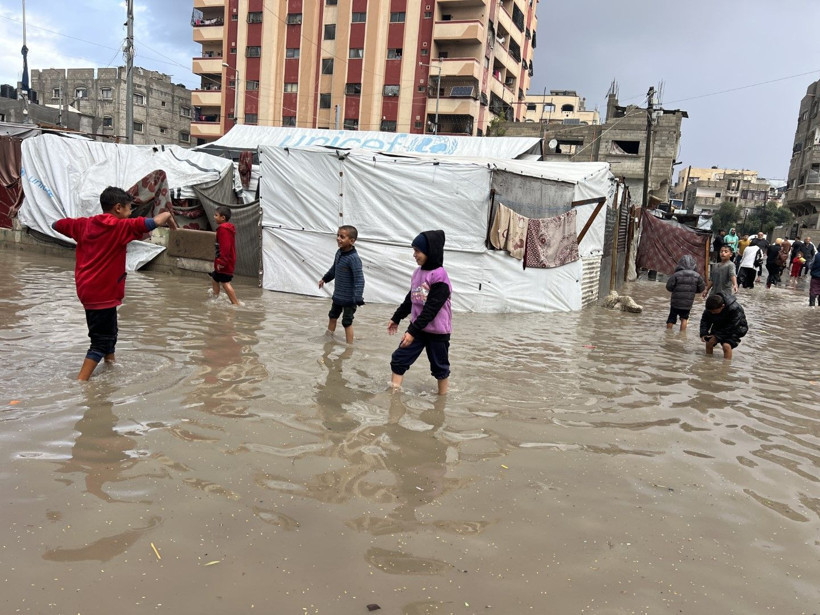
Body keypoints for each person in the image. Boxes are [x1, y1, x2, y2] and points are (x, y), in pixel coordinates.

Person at [52, 186, 173, 380]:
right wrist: (167, 213)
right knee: (100, 342)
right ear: (118, 208)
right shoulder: (120, 227)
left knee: (109, 333)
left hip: (87, 290)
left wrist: (83, 227)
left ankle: (111, 368)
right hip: (103, 293)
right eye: (128, 208)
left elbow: (56, 224)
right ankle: (80, 383)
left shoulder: (83, 225)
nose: (130, 212)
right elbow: (153, 222)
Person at [387, 230, 452, 395]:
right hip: (417, 329)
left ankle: (442, 399)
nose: (414, 255)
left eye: (417, 251)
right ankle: (394, 394)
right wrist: (397, 317)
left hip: (437, 332)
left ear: (430, 251)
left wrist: (411, 332)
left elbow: (431, 309)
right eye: (414, 251)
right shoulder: (417, 273)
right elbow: (411, 298)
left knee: (440, 367)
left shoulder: (440, 277)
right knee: (399, 358)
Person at [319, 225, 365, 344]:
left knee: (347, 322)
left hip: (350, 299)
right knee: (332, 316)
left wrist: (358, 297)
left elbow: (359, 279)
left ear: (352, 241)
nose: (338, 238)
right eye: (338, 235)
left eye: (342, 237)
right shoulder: (339, 253)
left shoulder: (353, 258)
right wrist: (324, 279)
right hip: (338, 295)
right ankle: (328, 337)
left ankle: (349, 346)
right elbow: (334, 269)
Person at [699, 292, 748, 360]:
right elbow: (705, 321)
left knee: (726, 346)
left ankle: (726, 367)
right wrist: (703, 333)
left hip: (736, 328)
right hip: (719, 325)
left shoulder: (734, 309)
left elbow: (733, 326)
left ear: (723, 306)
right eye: (711, 312)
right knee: (709, 341)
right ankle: (708, 361)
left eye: (714, 312)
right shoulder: (710, 308)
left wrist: (717, 337)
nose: (712, 313)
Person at [665, 254, 705, 331]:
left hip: (675, 302)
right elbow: (701, 288)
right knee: (684, 318)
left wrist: (675, 290)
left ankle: (668, 334)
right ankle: (682, 335)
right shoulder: (697, 276)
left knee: (671, 318)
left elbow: (668, 287)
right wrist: (693, 291)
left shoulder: (676, 275)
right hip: (688, 303)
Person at [209, 206, 240, 305]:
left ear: (223, 218)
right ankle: (215, 298)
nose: (214, 217)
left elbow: (225, 247)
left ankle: (236, 304)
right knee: (215, 278)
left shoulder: (223, 229)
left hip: (225, 261)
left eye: (216, 215)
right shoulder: (226, 228)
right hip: (224, 260)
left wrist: (222, 262)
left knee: (225, 282)